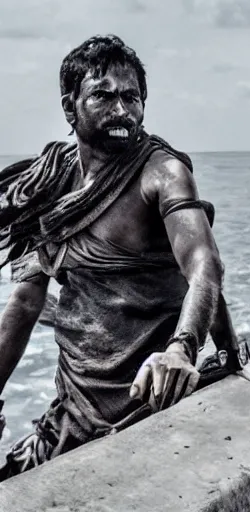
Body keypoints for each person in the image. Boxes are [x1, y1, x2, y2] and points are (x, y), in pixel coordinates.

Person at [0, 34, 224, 480]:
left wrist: (182, 350)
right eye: (103, 95)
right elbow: (25, 303)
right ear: (70, 106)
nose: (122, 111)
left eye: (132, 97)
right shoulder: (45, 184)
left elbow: (205, 265)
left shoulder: (163, 174)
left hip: (150, 404)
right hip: (72, 409)